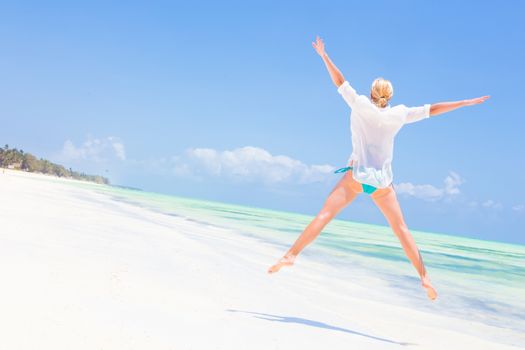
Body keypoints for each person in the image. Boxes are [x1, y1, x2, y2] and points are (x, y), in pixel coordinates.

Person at [267, 36, 490, 301]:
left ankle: (291, 255)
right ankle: (424, 277)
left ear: (372, 93)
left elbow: (340, 81)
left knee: (324, 215)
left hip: (357, 177)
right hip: (383, 183)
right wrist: (464, 103)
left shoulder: (360, 103)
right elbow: (433, 109)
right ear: (390, 97)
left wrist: (324, 56)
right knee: (401, 229)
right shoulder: (400, 113)